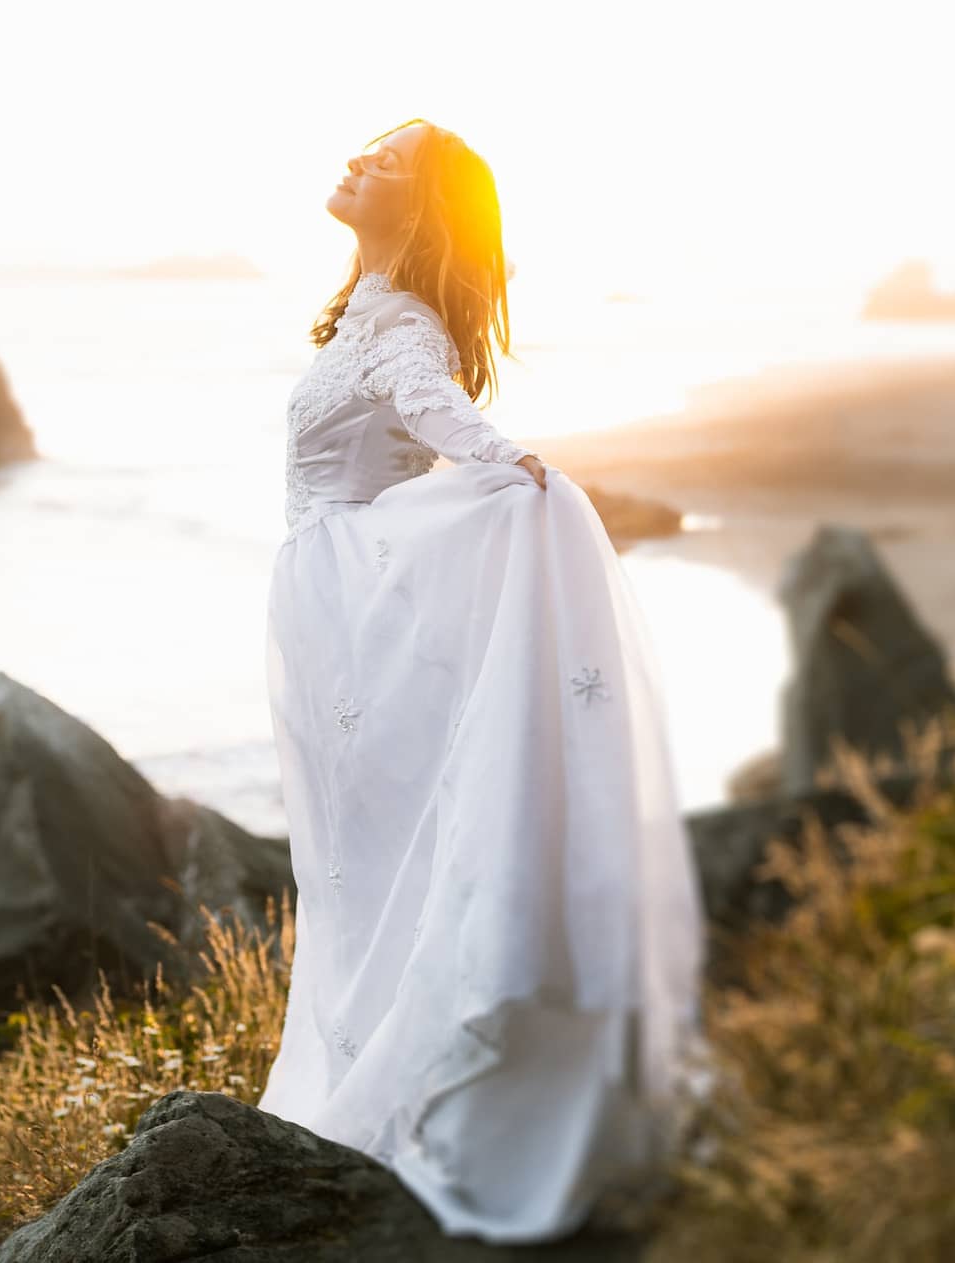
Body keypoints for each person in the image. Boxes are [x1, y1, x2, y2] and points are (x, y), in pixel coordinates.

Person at [256, 118, 710, 1244]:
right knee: (354, 860)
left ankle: (414, 1085)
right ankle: (372, 1064)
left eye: (387, 164)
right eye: (365, 149)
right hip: (334, 606)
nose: (357, 163)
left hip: (356, 606)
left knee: (376, 855)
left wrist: (507, 462)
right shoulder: (363, 311)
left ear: (420, 210)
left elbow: (428, 404)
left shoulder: (400, 323)